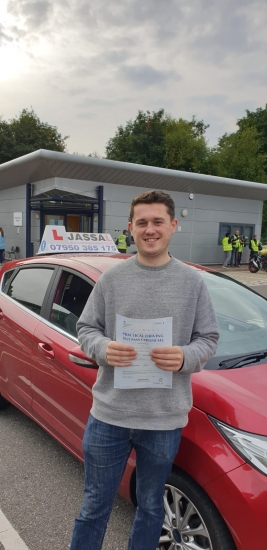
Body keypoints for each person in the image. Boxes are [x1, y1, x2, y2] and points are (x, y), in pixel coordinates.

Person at [69, 190, 219, 550]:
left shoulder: (193, 282)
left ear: (173, 225)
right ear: (130, 228)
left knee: (151, 508)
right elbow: (86, 329)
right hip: (110, 416)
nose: (150, 229)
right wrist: (104, 349)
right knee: (94, 507)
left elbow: (208, 338)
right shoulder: (112, 279)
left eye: (158, 222)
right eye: (142, 223)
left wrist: (184, 357)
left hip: (163, 420)